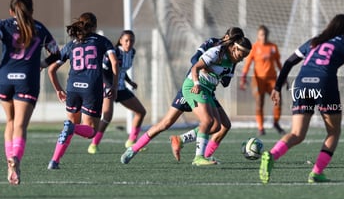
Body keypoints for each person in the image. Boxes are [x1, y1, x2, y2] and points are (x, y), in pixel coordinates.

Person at [258, 14, 344, 184]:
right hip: (323, 84)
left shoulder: (314, 41)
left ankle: (272, 155)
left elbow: (288, 62)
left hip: (301, 83)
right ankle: (316, 173)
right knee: (333, 132)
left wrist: (277, 87)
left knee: (296, 133)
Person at [120, 28, 250, 165]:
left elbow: (225, 82)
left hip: (207, 90)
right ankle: (133, 149)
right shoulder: (214, 46)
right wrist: (201, 75)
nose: (242, 58)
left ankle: (190, 146)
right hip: (194, 87)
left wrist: (222, 70)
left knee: (219, 125)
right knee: (167, 123)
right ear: (232, 42)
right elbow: (195, 61)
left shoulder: (232, 60)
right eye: (241, 54)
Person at [0, 0, 60, 185]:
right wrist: (43, 62)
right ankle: (15, 158)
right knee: (20, 125)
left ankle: (10, 161)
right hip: (27, 79)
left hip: (4, 78)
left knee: (9, 122)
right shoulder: (40, 28)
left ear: (11, 11)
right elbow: (56, 52)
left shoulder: (4, 25)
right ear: (32, 11)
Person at [47, 12, 119, 169]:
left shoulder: (72, 44)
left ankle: (54, 161)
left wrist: (58, 89)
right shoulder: (102, 41)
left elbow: (51, 69)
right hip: (92, 88)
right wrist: (113, 86)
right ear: (94, 26)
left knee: (70, 126)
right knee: (91, 132)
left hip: (72, 87)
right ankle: (70, 130)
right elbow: (114, 63)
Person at [87, 30, 146, 154]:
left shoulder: (132, 52)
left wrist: (129, 82)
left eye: (132, 41)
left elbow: (121, 70)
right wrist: (110, 87)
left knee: (141, 112)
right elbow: (103, 72)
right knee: (107, 117)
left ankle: (131, 141)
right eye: (126, 40)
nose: (129, 43)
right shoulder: (113, 53)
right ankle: (93, 144)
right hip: (108, 87)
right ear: (120, 41)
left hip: (121, 88)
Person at [239, 25, 285, 135]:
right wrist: (243, 78)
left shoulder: (273, 47)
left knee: (277, 101)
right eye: (261, 35)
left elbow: (278, 63)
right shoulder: (254, 47)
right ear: (258, 36)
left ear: (267, 35)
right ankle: (260, 127)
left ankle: (276, 123)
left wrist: (284, 76)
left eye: (264, 34)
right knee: (260, 102)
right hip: (258, 80)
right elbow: (248, 64)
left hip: (272, 80)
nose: (263, 37)